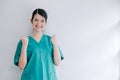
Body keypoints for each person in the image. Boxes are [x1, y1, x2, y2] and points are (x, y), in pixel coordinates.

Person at [14, 8, 64, 80]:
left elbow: (57, 63)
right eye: (36, 20)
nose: (39, 24)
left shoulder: (51, 41)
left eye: (42, 21)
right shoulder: (24, 41)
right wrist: (24, 46)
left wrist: (55, 45)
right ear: (31, 21)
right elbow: (21, 66)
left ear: (46, 23)